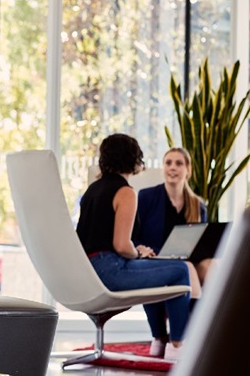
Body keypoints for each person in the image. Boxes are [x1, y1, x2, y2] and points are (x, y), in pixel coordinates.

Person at [76, 133, 192, 360]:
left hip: (85, 270)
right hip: (109, 270)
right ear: (133, 158)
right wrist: (138, 252)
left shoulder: (93, 190)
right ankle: (176, 346)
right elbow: (121, 245)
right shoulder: (125, 192)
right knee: (180, 270)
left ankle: (159, 342)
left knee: (161, 270)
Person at [135, 147, 209, 357]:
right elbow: (134, 236)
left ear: (188, 169)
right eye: (168, 163)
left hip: (186, 257)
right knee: (186, 270)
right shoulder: (147, 197)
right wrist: (141, 249)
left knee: (212, 266)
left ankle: (204, 332)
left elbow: (200, 242)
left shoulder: (198, 204)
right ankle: (177, 340)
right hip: (154, 258)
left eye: (178, 163)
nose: (173, 168)